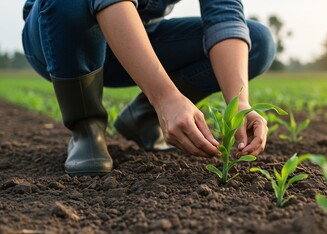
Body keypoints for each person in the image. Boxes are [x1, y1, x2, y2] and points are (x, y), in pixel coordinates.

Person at [21, 0, 276, 176]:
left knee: (258, 41)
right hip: (60, 36)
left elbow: (224, 14)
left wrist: (240, 104)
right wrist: (165, 97)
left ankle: (144, 118)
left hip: (134, 38)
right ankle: (86, 128)